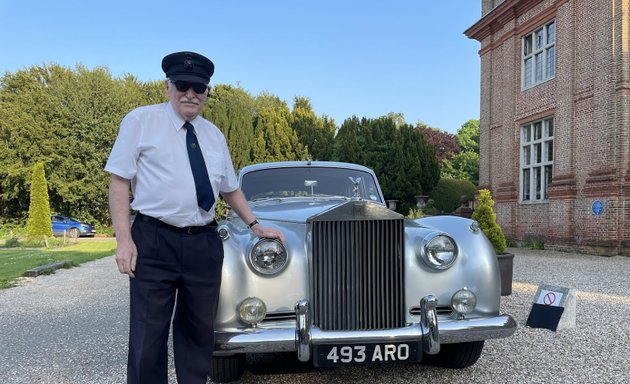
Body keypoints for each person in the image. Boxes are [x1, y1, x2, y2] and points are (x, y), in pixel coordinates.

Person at [105, 51, 284, 384]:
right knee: (148, 335)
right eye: (183, 85)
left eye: (198, 88)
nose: (190, 93)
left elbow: (230, 190)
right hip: (154, 240)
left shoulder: (214, 135)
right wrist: (124, 240)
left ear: (207, 92)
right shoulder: (140, 122)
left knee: (198, 335)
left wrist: (255, 225)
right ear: (167, 86)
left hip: (203, 242)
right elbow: (118, 182)